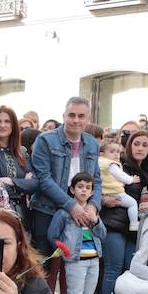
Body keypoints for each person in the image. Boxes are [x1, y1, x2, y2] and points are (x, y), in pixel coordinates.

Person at [28, 97, 100, 256]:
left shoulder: (92, 143)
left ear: (88, 119)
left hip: (81, 211)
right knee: (43, 266)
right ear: (64, 116)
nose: (76, 120)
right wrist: (70, 205)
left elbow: (96, 179)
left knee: (75, 267)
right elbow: (43, 179)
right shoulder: (45, 140)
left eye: (81, 116)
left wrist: (93, 206)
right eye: (71, 115)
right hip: (47, 210)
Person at [98, 131, 148, 294]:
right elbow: (96, 184)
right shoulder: (117, 164)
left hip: (136, 229)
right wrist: (102, 199)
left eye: (144, 145)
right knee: (113, 269)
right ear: (128, 146)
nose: (140, 148)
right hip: (114, 223)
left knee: (130, 269)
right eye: (136, 144)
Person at [49, 173, 105, 294]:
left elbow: (103, 235)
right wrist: (62, 250)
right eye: (80, 187)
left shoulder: (92, 211)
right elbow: (52, 235)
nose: (84, 190)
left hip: (94, 260)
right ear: (72, 189)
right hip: (76, 260)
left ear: (92, 192)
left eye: (88, 188)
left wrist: (95, 221)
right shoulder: (65, 212)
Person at [0, 106, 36, 223]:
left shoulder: (21, 152)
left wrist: (10, 181)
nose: (3, 125)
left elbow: (34, 184)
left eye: (7, 121)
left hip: (23, 215)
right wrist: (23, 186)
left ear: (13, 125)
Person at [98, 139, 142, 232]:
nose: (116, 154)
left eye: (118, 152)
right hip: (115, 192)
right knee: (132, 203)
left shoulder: (99, 162)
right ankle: (134, 223)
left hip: (104, 192)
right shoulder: (111, 164)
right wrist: (131, 180)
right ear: (102, 153)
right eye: (112, 151)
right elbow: (121, 176)